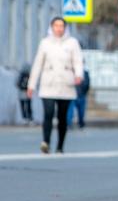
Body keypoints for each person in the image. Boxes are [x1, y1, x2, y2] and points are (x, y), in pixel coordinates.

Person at [26, 16, 84, 154]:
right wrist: (31, 85)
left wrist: (78, 75)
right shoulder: (45, 43)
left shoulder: (72, 43)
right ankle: (45, 142)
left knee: (62, 117)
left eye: (61, 26)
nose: (59, 29)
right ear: (51, 27)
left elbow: (78, 61)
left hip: (66, 84)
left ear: (65, 28)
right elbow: (37, 64)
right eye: (56, 26)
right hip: (48, 84)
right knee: (48, 114)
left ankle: (60, 146)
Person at [67, 64, 90, 129]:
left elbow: (87, 84)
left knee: (80, 111)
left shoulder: (85, 72)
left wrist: (83, 92)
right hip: (73, 94)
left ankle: (79, 123)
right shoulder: (72, 72)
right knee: (71, 110)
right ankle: (70, 123)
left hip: (80, 94)